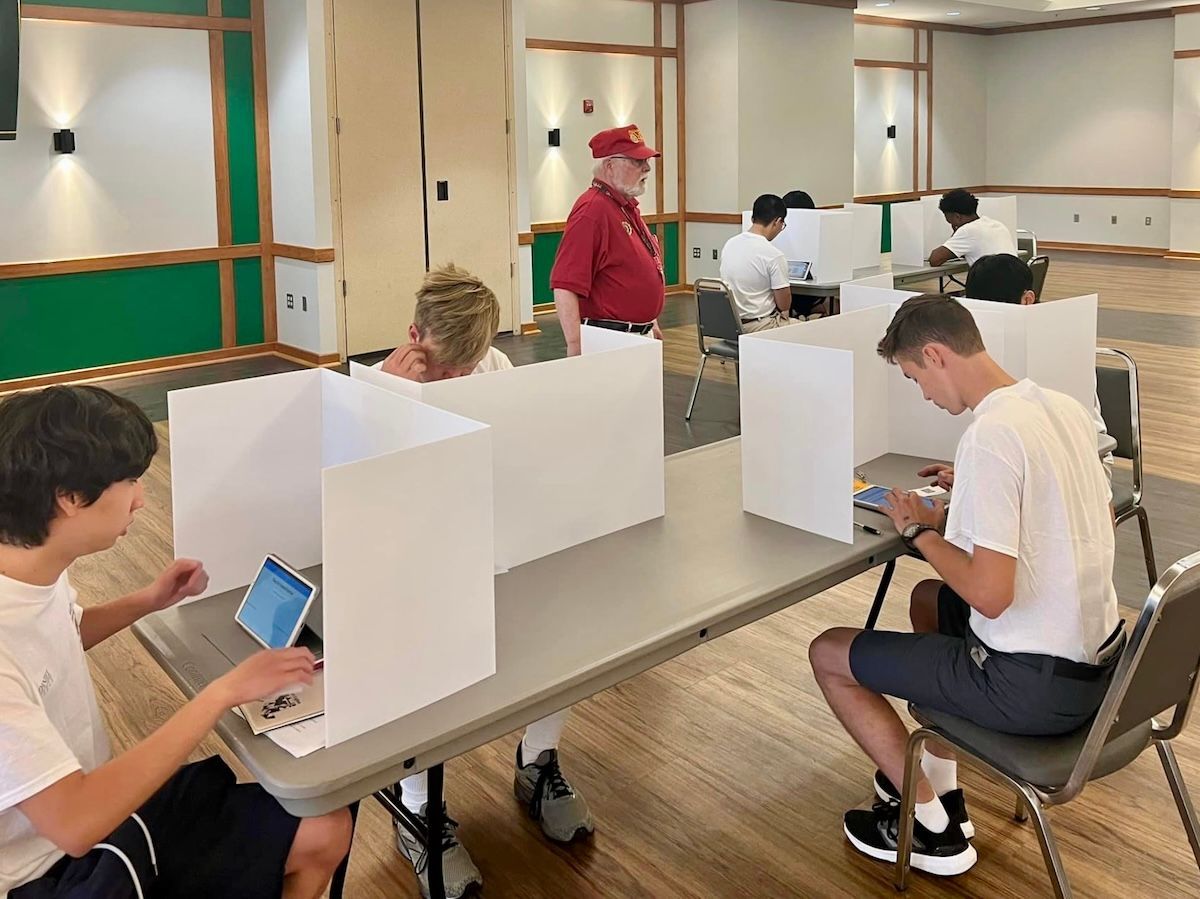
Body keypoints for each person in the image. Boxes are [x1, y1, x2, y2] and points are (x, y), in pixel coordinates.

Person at [808, 295, 1123, 877]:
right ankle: (945, 786)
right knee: (928, 600)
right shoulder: (1060, 408)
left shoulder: (992, 436)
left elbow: (991, 595)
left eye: (914, 377)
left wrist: (917, 534)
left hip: (1031, 689)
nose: (923, 394)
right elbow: (1097, 520)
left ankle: (931, 828)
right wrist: (977, 489)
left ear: (935, 354)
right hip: (1100, 674)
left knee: (828, 653)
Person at [0, 386, 352, 899]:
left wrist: (148, 600)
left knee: (324, 828)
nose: (141, 497)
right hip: (48, 870)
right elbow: (73, 824)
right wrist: (221, 693)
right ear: (70, 498)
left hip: (95, 813)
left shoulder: (31, 565)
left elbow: (59, 638)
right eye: (130, 481)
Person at [376, 264, 593, 899]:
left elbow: (530, 449)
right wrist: (391, 400)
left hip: (499, 541)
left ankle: (539, 760)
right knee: (426, 672)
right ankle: (418, 809)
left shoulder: (494, 369)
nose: (458, 380)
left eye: (469, 367)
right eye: (447, 368)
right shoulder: (383, 386)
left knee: (561, 634)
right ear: (415, 334)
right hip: (415, 563)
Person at [550, 124, 666, 356]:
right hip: (610, 340)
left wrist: (650, 319)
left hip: (635, 336)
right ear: (610, 166)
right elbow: (565, 284)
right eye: (636, 161)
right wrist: (575, 345)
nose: (646, 168)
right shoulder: (592, 211)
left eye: (646, 161)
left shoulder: (623, 206)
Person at [718, 194, 796, 332]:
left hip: (728, 326)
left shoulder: (730, 244)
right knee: (809, 329)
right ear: (777, 221)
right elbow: (784, 304)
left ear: (753, 218)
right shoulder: (773, 255)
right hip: (758, 326)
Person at [929, 189, 1017, 267]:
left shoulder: (967, 230)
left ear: (957, 217)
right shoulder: (998, 225)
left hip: (993, 282)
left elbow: (935, 259)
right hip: (1018, 280)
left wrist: (955, 235)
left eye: (950, 221)